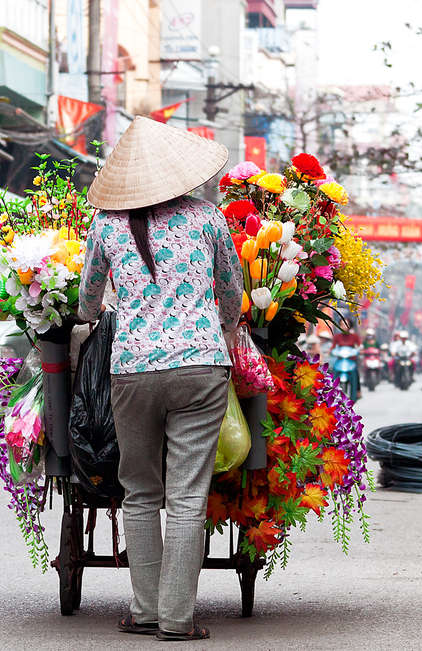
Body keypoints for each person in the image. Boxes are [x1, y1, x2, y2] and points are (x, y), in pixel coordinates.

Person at [77, 116, 241, 642]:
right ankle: (176, 620)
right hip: (201, 366)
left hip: (131, 369)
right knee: (188, 496)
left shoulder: (105, 225)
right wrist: (227, 328)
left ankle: (145, 611)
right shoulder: (209, 218)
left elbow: (87, 301)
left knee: (140, 491)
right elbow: (231, 291)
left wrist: (100, 310)